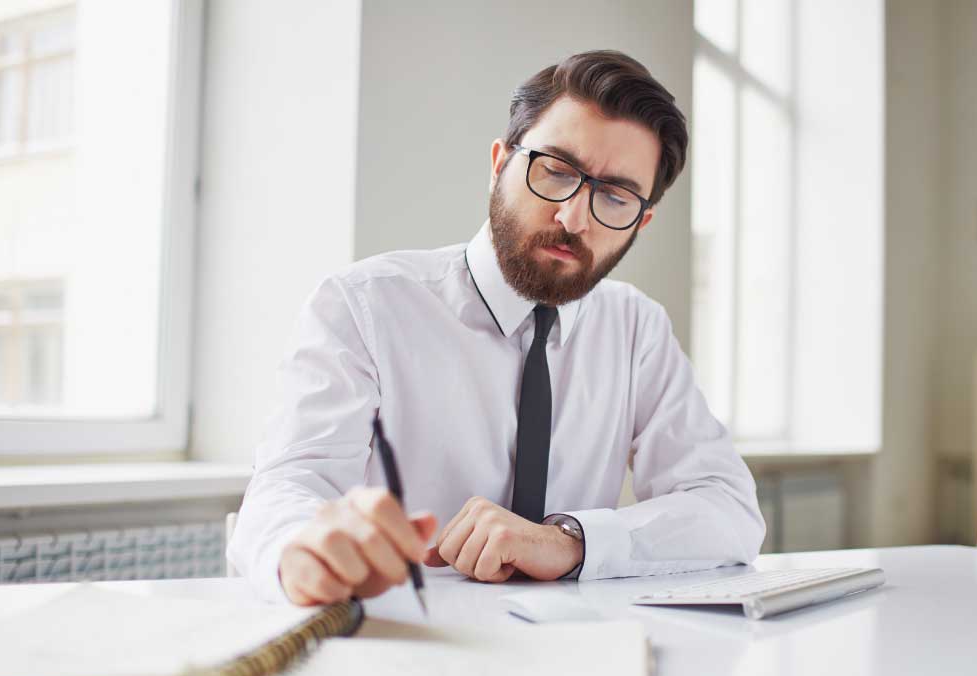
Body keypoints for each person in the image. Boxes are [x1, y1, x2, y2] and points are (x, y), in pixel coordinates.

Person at [228, 50, 766, 605]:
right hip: (401, 645)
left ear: (641, 221)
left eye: (614, 196)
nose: (574, 218)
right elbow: (285, 488)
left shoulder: (636, 329)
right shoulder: (363, 306)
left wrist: (570, 541)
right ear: (499, 163)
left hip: (573, 659)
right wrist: (304, 553)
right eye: (555, 170)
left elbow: (727, 509)